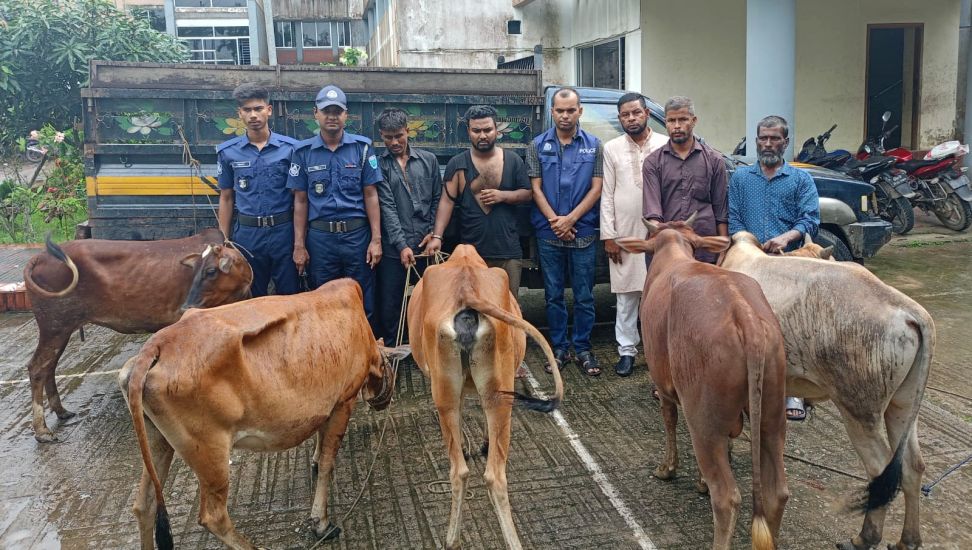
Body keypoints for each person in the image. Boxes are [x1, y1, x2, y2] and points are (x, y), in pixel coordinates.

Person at [422, 104, 533, 377]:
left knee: (508, 308)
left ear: (497, 130)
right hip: (471, 253)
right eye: (476, 131)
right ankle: (472, 358)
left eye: (487, 129)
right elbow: (447, 201)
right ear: (468, 132)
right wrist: (437, 236)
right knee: (470, 309)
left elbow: (528, 194)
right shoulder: (458, 164)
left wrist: (502, 196)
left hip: (507, 249)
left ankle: (511, 359)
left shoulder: (514, 161)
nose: (482, 135)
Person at [729, 114, 819, 421]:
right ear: (756, 141)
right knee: (747, 325)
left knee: (789, 326)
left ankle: (792, 390)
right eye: (763, 138)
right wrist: (749, 244)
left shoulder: (800, 180)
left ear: (785, 142)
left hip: (788, 265)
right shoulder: (741, 179)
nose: (768, 143)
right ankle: (746, 385)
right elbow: (734, 219)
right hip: (750, 264)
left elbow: (810, 220)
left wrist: (786, 237)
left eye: (774, 138)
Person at [287, 84, 383, 322]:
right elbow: (300, 201)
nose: (332, 116)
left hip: (356, 237)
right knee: (324, 301)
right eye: (326, 111)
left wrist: (376, 240)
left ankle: (364, 354)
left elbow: (371, 194)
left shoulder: (361, 148)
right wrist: (299, 245)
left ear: (345, 115)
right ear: (315, 113)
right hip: (321, 241)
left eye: (337, 111)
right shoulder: (303, 152)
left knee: (362, 298)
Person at [527, 87, 604, 376]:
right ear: (552, 112)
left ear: (579, 111)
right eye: (560, 110)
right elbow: (535, 189)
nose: (565, 115)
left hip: (582, 232)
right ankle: (558, 348)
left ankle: (582, 348)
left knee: (584, 295)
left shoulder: (595, 146)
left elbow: (596, 188)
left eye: (571, 110)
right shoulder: (536, 145)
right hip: (549, 234)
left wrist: (570, 220)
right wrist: (556, 223)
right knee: (553, 295)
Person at [601, 93, 669, 377]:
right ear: (620, 119)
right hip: (625, 233)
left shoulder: (665, 145)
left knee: (661, 297)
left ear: (646, 114)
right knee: (626, 296)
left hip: (660, 233)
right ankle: (627, 351)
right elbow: (607, 193)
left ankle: (662, 354)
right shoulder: (611, 148)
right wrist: (609, 235)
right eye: (626, 115)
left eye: (636, 113)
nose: (631, 118)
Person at [216, 83, 300, 297]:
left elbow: (299, 198)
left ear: (269, 110)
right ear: (240, 114)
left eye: (258, 108)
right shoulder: (229, 153)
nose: (253, 115)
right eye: (247, 110)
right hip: (247, 235)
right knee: (252, 295)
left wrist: (300, 240)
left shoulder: (290, 149)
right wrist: (223, 241)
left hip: (283, 231)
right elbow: (226, 198)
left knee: (289, 294)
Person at [374, 107, 442, 346]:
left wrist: (434, 232)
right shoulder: (379, 165)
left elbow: (437, 199)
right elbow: (387, 208)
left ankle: (430, 347)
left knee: (432, 301)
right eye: (388, 137)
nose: (394, 142)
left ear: (408, 131)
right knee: (392, 303)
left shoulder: (429, 160)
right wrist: (402, 245)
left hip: (427, 246)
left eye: (399, 136)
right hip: (395, 249)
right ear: (381, 135)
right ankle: (394, 352)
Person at [643, 96, 729, 264]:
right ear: (666, 122)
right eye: (671, 120)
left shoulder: (714, 160)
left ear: (694, 120)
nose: (676, 126)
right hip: (667, 249)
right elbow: (653, 212)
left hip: (704, 246)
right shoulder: (653, 162)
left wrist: (723, 249)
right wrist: (659, 237)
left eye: (682, 119)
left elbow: (721, 211)